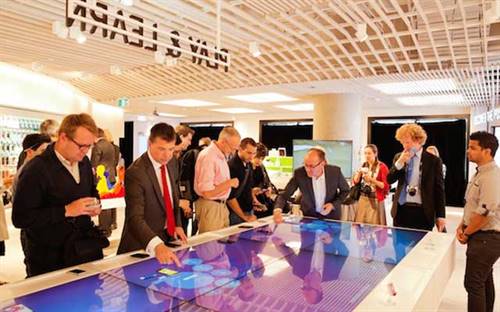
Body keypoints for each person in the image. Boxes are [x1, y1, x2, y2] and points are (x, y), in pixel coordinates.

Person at [12, 113, 106, 277]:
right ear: (63, 137)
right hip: (50, 260)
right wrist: (66, 210)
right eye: (81, 146)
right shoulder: (36, 169)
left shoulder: (84, 163)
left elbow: (92, 191)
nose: (85, 151)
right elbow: (21, 218)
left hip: (84, 252)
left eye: (89, 146)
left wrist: (95, 204)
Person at [117, 123, 187, 266]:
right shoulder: (136, 172)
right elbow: (134, 218)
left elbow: (173, 197)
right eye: (161, 149)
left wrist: (177, 224)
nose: (167, 155)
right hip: (141, 244)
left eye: (171, 149)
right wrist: (156, 245)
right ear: (149, 143)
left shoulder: (172, 162)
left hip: (167, 240)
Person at [456, 131, 500, 312]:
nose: (468, 151)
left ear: (487, 151)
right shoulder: (480, 174)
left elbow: (485, 213)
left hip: (486, 237)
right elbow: (472, 206)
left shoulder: (491, 177)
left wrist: (466, 233)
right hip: (480, 236)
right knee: (483, 279)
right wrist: (462, 225)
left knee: (473, 284)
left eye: (473, 148)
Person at [387, 123, 446, 231]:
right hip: (401, 210)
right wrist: (400, 162)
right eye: (402, 142)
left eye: (407, 142)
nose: (404, 146)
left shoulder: (433, 160)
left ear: (418, 140)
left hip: (423, 212)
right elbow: (389, 179)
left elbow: (439, 189)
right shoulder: (399, 157)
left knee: (421, 247)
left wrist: (440, 215)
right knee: (399, 246)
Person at [273, 147, 350, 223]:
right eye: (306, 165)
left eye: (312, 166)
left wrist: (333, 205)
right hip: (308, 219)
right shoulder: (299, 173)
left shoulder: (335, 172)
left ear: (323, 163)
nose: (308, 169)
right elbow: (284, 194)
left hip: (331, 219)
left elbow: (345, 191)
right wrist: (277, 210)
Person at [194, 126, 240, 233]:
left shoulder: (221, 155)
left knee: (221, 246)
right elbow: (207, 192)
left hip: (220, 206)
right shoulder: (209, 156)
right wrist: (229, 183)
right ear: (223, 142)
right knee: (210, 246)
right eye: (233, 148)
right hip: (211, 206)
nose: (233, 152)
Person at [353, 144, 390, 225]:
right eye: (365, 153)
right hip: (363, 198)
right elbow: (355, 182)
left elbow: (385, 186)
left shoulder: (382, 167)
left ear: (375, 153)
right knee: (359, 226)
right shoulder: (363, 165)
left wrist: (371, 180)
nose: (367, 155)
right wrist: (359, 173)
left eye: (369, 153)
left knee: (375, 228)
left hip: (375, 200)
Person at [91, 128, 118, 237]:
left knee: (104, 203)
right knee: (111, 202)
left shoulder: (98, 146)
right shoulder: (111, 145)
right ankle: (112, 223)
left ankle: (104, 228)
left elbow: (94, 163)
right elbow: (114, 162)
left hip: (101, 178)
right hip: (110, 176)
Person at [227, 138, 259, 225]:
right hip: (236, 213)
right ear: (240, 149)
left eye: (254, 153)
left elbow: (248, 187)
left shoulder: (248, 164)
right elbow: (230, 197)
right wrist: (244, 217)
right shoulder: (232, 166)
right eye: (249, 153)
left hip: (248, 210)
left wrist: (254, 200)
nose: (252, 156)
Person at [251, 143, 277, 218]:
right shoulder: (247, 168)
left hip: (263, 200)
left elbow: (267, 182)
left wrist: (268, 189)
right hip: (252, 202)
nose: (259, 161)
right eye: (258, 157)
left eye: (262, 159)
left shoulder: (261, 167)